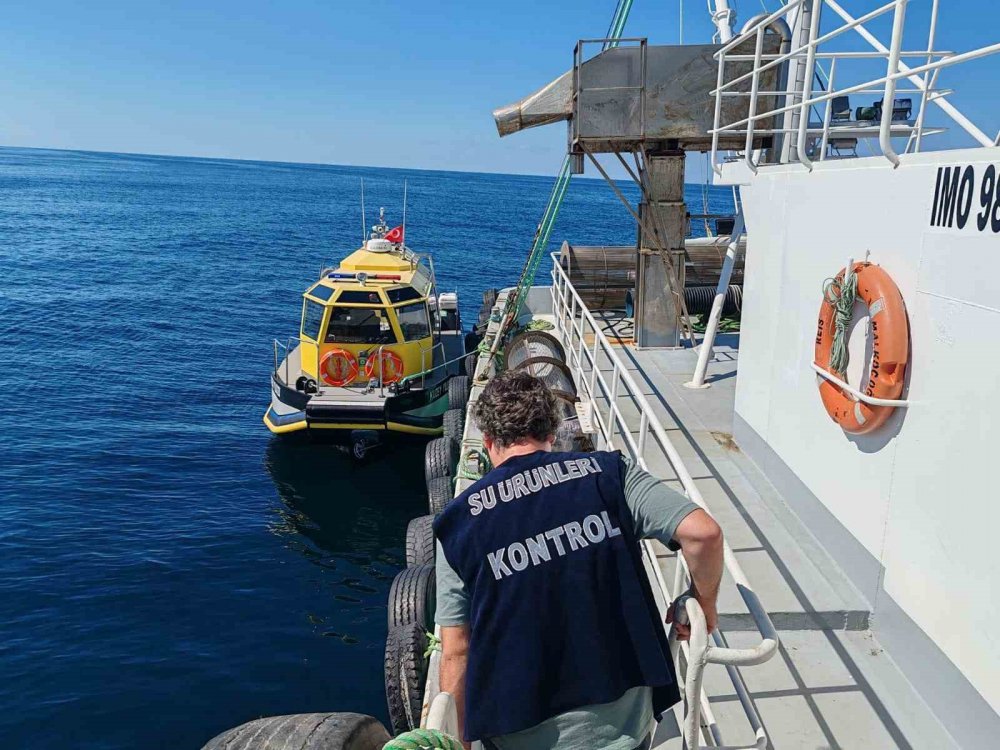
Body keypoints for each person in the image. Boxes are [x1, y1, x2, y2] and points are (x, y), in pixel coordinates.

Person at [433, 371, 724, 750]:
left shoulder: (459, 523)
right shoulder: (609, 474)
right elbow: (703, 533)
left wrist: (459, 743)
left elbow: (456, 649)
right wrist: (705, 604)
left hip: (517, 731)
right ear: (551, 432)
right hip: (623, 728)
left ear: (488, 442)